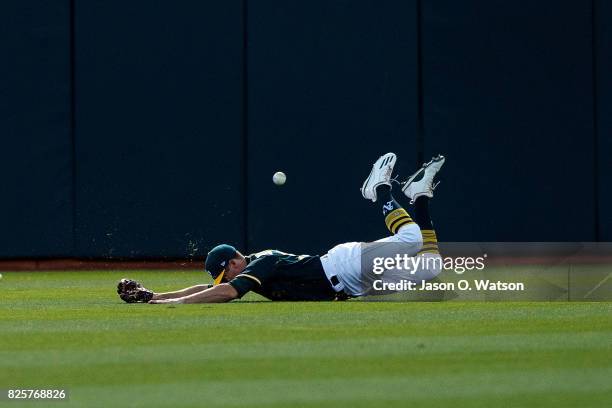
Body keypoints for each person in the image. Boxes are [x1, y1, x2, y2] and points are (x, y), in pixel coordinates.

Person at [117, 153, 445, 304]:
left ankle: (379, 189)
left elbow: (227, 292)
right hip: (351, 286)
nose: (225, 279)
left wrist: (170, 305)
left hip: (345, 264)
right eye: (222, 277)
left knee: (411, 238)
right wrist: (154, 296)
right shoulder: (248, 266)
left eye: (224, 273)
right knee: (432, 268)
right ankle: (420, 195)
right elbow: (202, 288)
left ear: (234, 261)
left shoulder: (261, 263)